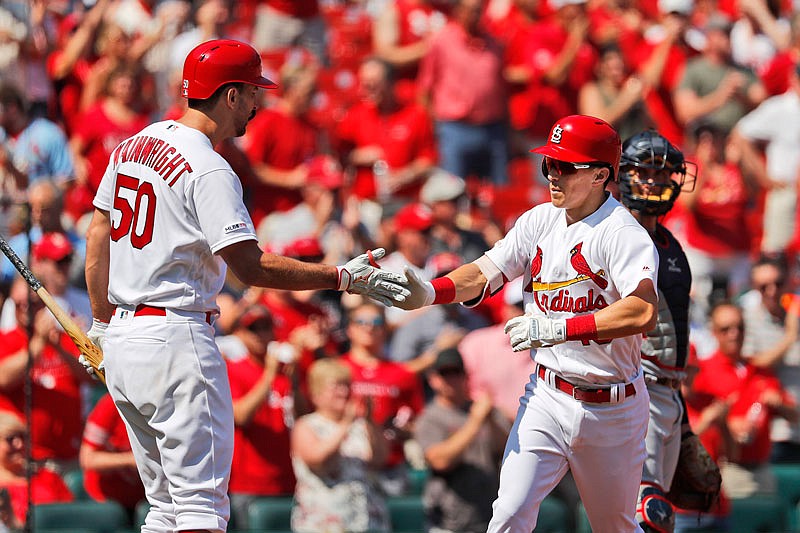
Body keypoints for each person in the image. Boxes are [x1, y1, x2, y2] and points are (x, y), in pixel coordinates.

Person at [82, 39, 409, 532]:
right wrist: (341, 276)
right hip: (177, 338)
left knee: (164, 510)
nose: (258, 104)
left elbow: (96, 240)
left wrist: (102, 322)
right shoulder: (210, 166)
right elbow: (250, 268)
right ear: (229, 95)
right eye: (254, 92)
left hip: (127, 339)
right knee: (199, 509)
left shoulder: (133, 144)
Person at [393, 114, 660, 532]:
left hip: (613, 406)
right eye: (548, 163)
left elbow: (642, 310)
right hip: (548, 394)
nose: (553, 174)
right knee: (509, 515)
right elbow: (483, 271)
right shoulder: (539, 220)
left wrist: (559, 328)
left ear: (600, 176)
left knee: (616, 528)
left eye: (565, 166)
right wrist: (431, 291)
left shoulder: (621, 233)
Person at [615, 130, 694, 532]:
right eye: (647, 172)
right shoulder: (612, 235)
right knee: (648, 512)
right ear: (625, 174)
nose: (657, 182)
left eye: (664, 175)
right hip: (634, 384)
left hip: (670, 391)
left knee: (656, 513)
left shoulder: (670, 243)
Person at [413, 347, 510, 533]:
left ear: (466, 376)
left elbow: (509, 452)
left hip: (489, 516)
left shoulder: (485, 411)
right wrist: (475, 421)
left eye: (455, 373)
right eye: (444, 374)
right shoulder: (430, 417)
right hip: (448, 522)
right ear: (433, 379)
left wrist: (489, 418)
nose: (450, 379)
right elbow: (440, 460)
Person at [290, 358, 391, 533]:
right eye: (336, 386)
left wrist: (370, 420)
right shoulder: (306, 425)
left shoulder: (360, 425)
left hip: (366, 521)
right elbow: (317, 459)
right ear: (317, 393)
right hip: (324, 524)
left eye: (346, 385)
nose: (344, 392)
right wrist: (345, 424)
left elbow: (380, 459)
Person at [0, 411, 73, 529]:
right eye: (10, 439)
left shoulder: (48, 477)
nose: (19, 444)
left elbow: (73, 517)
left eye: (23, 437)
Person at [79, 393, 145, 513]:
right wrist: (130, 460)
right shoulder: (111, 403)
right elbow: (88, 459)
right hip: (105, 501)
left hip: (144, 500)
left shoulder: (159, 403)